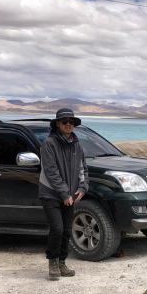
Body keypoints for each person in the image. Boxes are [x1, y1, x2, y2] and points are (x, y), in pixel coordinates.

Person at [39, 108, 89, 280]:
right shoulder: (49, 144)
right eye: (64, 121)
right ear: (57, 124)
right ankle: (52, 261)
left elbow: (83, 169)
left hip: (70, 195)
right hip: (50, 193)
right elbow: (51, 172)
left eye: (71, 122)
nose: (69, 124)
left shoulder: (77, 145)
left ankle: (62, 262)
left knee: (67, 230)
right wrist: (64, 193)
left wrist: (82, 188)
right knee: (57, 228)